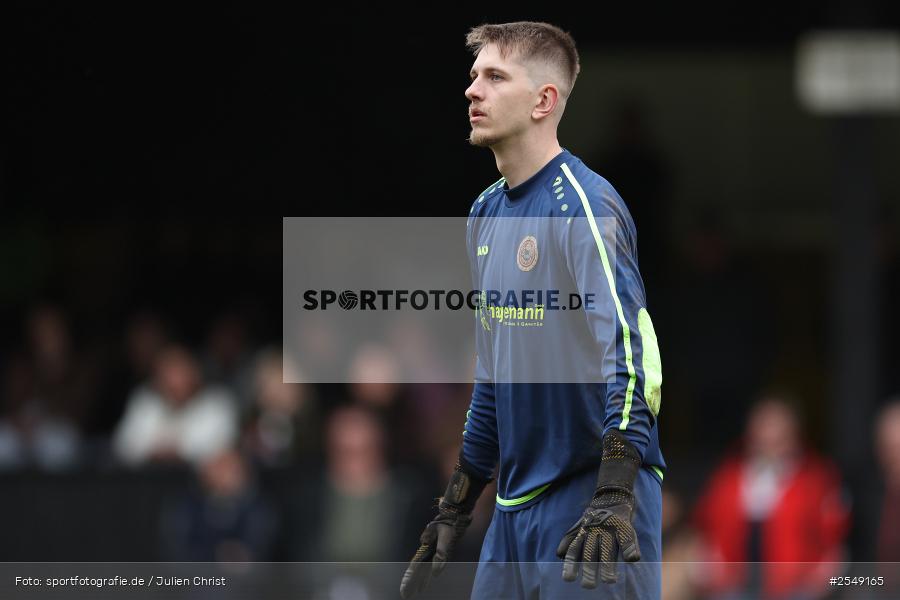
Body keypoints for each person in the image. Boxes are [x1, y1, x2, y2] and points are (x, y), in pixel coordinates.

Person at [401, 22, 665, 599]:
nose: (473, 90)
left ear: (544, 100)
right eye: (474, 76)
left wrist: (614, 492)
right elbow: (495, 374)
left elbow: (633, 353)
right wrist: (457, 504)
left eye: (495, 77)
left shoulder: (587, 207)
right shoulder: (484, 214)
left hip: (593, 506)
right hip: (514, 512)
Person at [691, 395, 849, 599]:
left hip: (793, 588)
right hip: (734, 586)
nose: (769, 440)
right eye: (763, 431)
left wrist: (816, 583)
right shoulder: (727, 478)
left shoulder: (817, 480)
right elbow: (705, 530)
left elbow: (834, 544)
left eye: (778, 434)